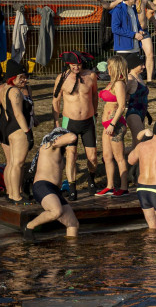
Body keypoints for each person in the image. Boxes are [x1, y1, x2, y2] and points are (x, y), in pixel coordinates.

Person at [51, 51, 99, 197]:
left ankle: (91, 179)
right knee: (71, 154)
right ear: (68, 64)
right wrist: (56, 121)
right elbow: (56, 100)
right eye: (73, 65)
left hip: (88, 121)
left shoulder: (91, 76)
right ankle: (72, 187)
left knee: (92, 157)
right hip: (69, 122)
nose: (76, 67)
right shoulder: (62, 78)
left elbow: (95, 95)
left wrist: (95, 113)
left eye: (78, 64)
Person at [25, 128, 80, 236]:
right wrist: (67, 134)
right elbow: (72, 137)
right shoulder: (49, 146)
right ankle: (29, 227)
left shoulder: (58, 153)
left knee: (73, 224)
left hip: (54, 190)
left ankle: (71, 251)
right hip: (42, 186)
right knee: (56, 211)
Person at [0, 61, 34, 203]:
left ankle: (11, 194)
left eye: (25, 76)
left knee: (12, 163)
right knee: (18, 164)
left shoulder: (6, 89)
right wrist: (28, 132)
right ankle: (16, 196)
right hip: (18, 130)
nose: (24, 79)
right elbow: (18, 114)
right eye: (21, 77)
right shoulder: (15, 91)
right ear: (12, 77)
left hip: (11, 129)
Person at [96, 55, 130, 197]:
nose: (107, 69)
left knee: (119, 157)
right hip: (107, 125)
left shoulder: (119, 84)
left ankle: (124, 187)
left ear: (115, 67)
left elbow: (122, 106)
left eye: (109, 66)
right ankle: (110, 186)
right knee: (107, 156)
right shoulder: (111, 82)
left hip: (114, 124)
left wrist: (112, 123)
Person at [111, 0, 144, 69]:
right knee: (123, 73)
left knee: (136, 72)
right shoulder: (118, 10)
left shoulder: (133, 9)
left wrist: (140, 30)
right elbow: (115, 29)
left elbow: (135, 24)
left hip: (135, 47)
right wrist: (133, 35)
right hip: (124, 48)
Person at [123, 54, 150, 142]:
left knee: (136, 146)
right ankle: (113, 154)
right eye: (141, 65)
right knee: (141, 143)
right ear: (133, 65)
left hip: (142, 112)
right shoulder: (130, 79)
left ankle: (114, 154)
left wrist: (147, 113)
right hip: (134, 113)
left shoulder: (140, 77)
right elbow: (121, 95)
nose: (144, 66)